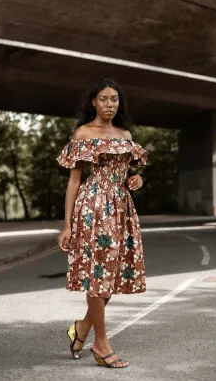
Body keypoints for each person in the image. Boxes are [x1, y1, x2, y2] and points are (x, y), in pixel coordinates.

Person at [56, 78, 148, 369]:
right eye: (104, 99)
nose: (110, 104)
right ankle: (101, 342)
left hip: (121, 207)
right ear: (93, 102)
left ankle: (82, 328)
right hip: (93, 207)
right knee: (98, 274)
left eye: (115, 99)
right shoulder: (83, 133)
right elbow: (74, 181)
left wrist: (137, 180)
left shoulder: (125, 134)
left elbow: (130, 174)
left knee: (112, 273)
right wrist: (68, 225)